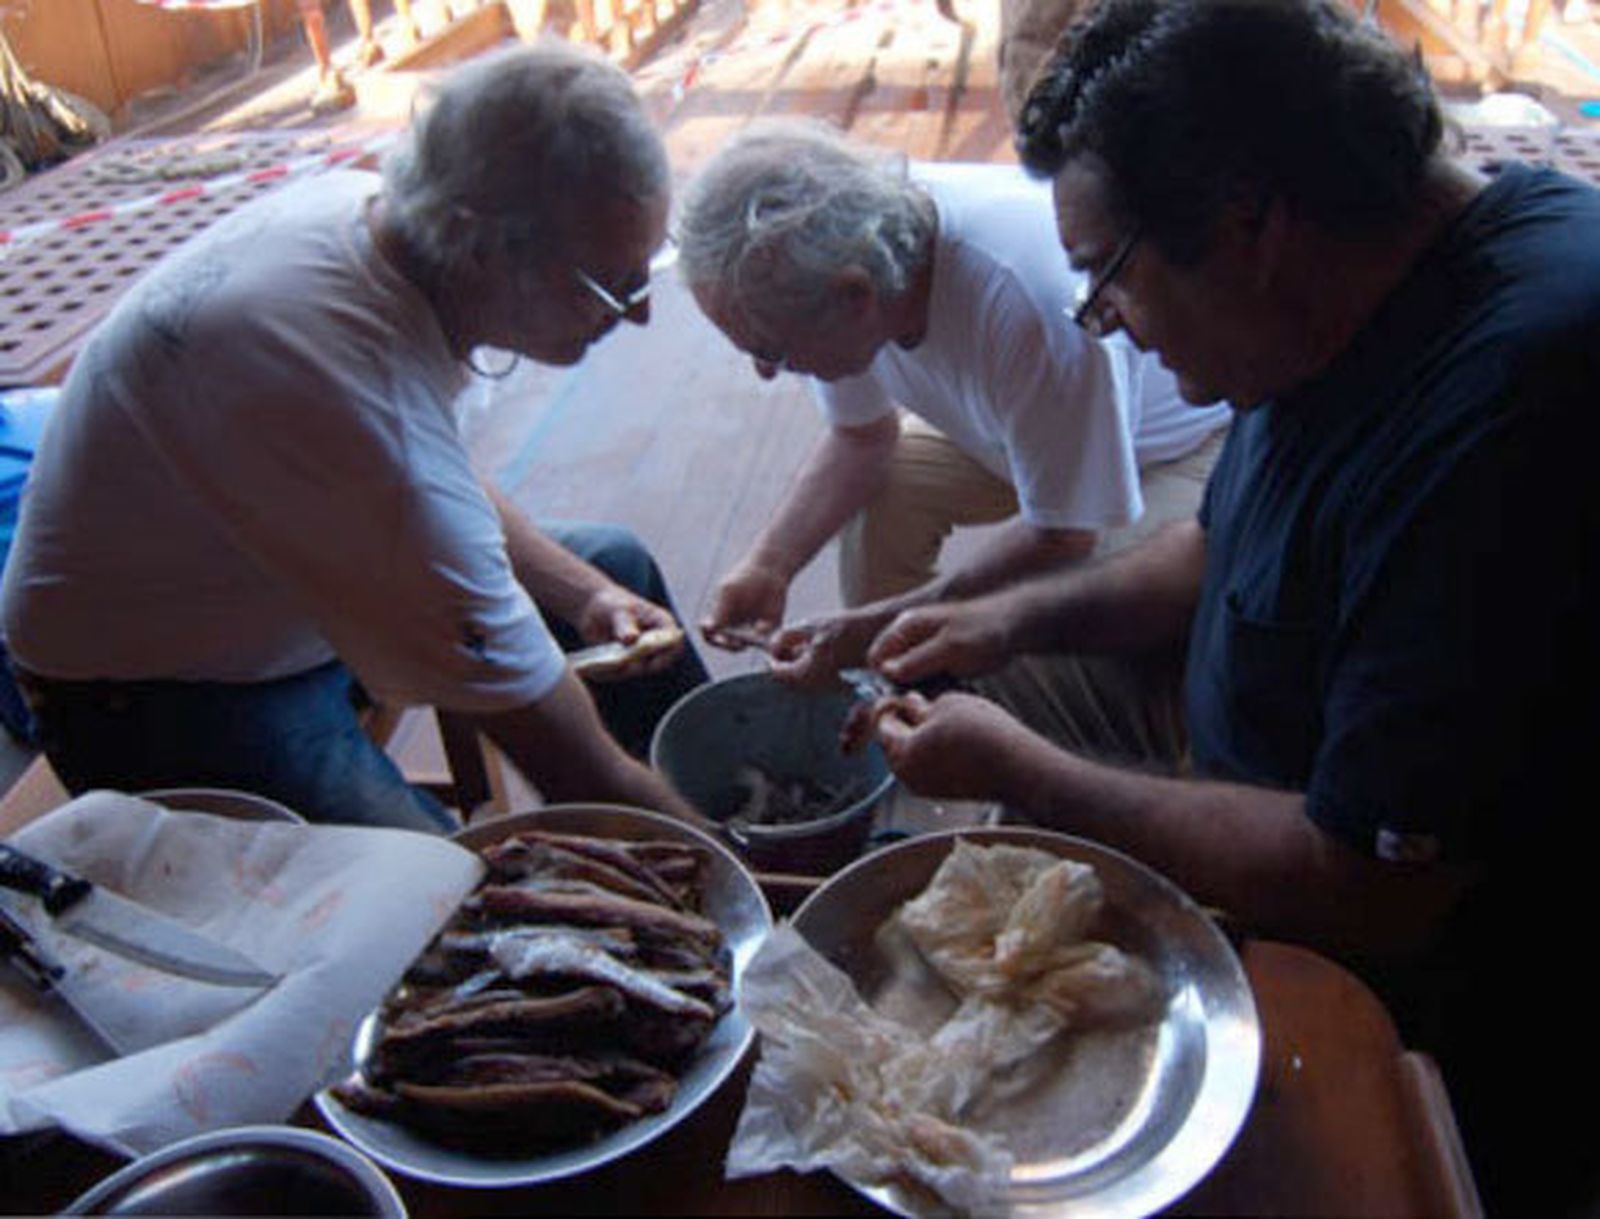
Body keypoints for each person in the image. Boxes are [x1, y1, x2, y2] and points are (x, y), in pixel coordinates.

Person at [824, 0, 1599, 1212]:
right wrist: (1013, 620)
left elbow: (1367, 887)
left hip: (1412, 955)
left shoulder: (1516, 408)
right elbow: (1214, 543)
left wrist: (1037, 776)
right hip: (1244, 735)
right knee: (949, 679)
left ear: (1247, 224)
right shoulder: (1338, 295)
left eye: (1108, 280)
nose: (1112, 331)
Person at [0, 42, 710, 834]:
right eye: (611, 286)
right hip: (152, 688)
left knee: (615, 565)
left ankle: (718, 796)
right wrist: (775, 896)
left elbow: (416, 467)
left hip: (277, 580)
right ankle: (735, 847)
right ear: (483, 251)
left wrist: (588, 595)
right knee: (439, 905)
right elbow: (580, 775)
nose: (639, 312)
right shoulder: (349, 408)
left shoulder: (379, 221)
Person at [678, 120, 1229, 663]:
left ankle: (962, 702)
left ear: (855, 296)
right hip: (1014, 435)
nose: (765, 372)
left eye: (771, 350)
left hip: (1166, 453)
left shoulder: (1027, 303)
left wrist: (883, 626)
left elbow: (1066, 535)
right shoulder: (848, 252)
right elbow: (862, 439)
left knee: (1084, 608)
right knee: (885, 500)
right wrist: (770, 564)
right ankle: (896, 688)